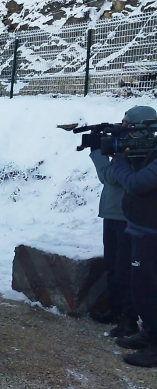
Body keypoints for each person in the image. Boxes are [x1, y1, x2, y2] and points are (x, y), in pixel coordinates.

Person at [111, 105, 157, 368]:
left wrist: (118, 160)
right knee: (142, 289)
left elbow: (138, 184)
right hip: (143, 228)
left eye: (129, 127)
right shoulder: (149, 150)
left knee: (150, 289)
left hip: (152, 233)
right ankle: (150, 333)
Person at [87, 116, 137, 338]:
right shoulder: (126, 145)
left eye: (128, 123)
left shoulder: (138, 150)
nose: (123, 126)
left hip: (127, 217)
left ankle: (128, 317)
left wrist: (98, 151)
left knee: (124, 269)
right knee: (113, 266)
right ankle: (116, 310)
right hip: (113, 213)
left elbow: (110, 176)